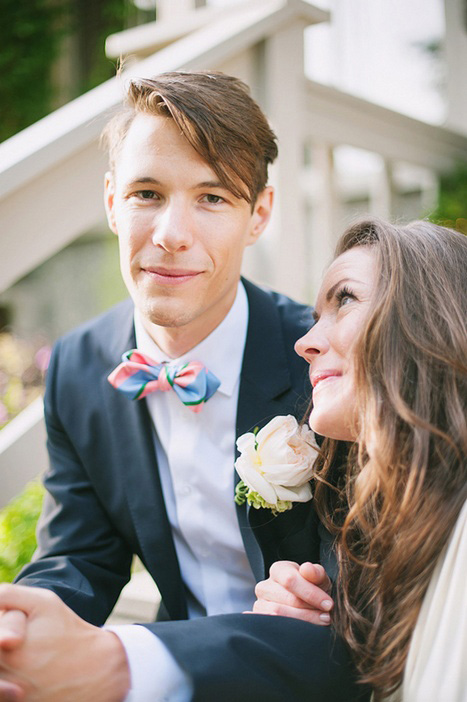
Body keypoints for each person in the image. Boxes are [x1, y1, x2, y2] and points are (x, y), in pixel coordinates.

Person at [0, 71, 366, 701]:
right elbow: (81, 555)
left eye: (213, 197)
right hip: (170, 674)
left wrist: (121, 660)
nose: (171, 233)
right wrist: (19, 629)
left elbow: (357, 615)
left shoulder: (324, 362)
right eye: (147, 193)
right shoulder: (80, 366)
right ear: (113, 202)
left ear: (259, 215)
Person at [253, 218, 467, 701]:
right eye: (313, 317)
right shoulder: (373, 534)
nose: (303, 343)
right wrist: (307, 626)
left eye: (344, 299)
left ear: (430, 316)